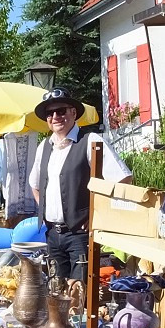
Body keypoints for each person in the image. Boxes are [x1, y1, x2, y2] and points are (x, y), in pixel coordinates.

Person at [29, 87, 131, 285]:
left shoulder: (90, 141)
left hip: (79, 236)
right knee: (56, 293)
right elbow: (35, 185)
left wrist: (98, 214)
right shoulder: (44, 147)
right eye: (50, 113)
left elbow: (123, 179)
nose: (55, 116)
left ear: (73, 113)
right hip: (52, 234)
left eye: (61, 111)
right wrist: (44, 209)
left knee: (79, 294)